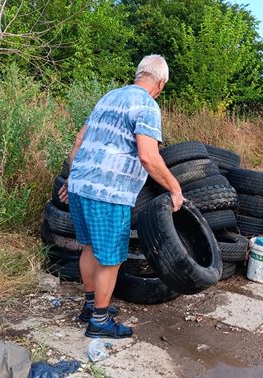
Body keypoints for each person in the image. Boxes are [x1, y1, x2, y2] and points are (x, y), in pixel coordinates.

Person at [58, 55, 183, 339]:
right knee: (111, 259)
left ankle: (91, 308)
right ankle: (99, 322)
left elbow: (79, 139)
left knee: (89, 248)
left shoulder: (110, 97)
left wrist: (70, 177)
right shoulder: (147, 106)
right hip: (109, 192)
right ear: (160, 83)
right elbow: (148, 157)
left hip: (80, 185)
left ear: (139, 73)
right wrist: (174, 188)